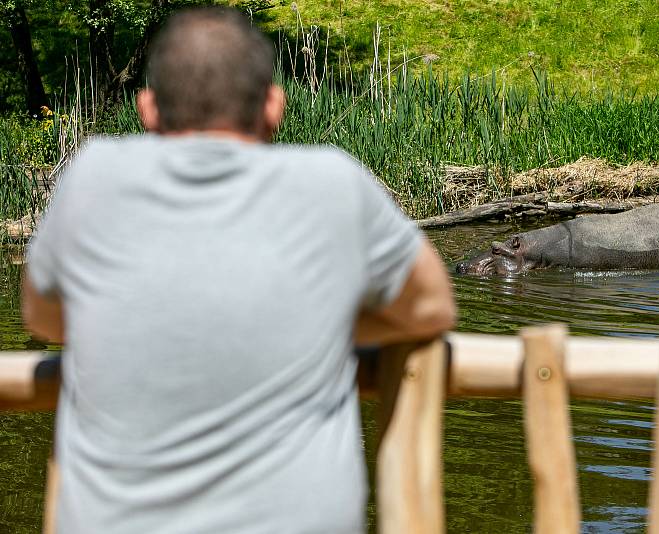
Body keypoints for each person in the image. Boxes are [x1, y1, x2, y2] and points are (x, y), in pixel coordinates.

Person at [22, 7, 456, 533]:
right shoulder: (332, 183)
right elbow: (432, 308)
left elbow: (43, 318)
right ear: (274, 105)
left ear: (148, 109)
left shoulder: (91, 176)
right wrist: (310, 324)